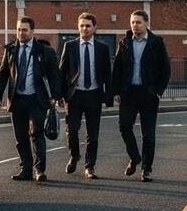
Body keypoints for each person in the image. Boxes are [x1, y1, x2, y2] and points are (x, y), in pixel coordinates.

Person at [0, 17, 61, 182]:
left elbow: (54, 76)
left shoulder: (44, 50)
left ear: (32, 31)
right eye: (18, 29)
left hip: (37, 99)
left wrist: (55, 97)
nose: (21, 33)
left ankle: (40, 170)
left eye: (24, 30)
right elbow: (3, 74)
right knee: (21, 137)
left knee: (37, 133)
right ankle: (26, 170)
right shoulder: (11, 50)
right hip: (17, 99)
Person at [111, 10, 171, 182]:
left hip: (148, 94)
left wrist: (158, 91)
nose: (134, 25)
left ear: (146, 23)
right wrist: (116, 91)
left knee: (148, 134)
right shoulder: (124, 43)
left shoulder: (156, 43)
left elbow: (165, 69)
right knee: (124, 126)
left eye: (138, 22)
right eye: (132, 22)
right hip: (128, 93)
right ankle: (135, 157)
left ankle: (146, 169)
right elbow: (118, 68)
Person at [57, 13, 112, 179]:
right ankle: (74, 156)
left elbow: (107, 73)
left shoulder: (102, 48)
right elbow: (62, 72)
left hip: (94, 95)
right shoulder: (70, 46)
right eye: (81, 25)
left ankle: (90, 166)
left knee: (92, 134)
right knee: (72, 131)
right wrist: (59, 95)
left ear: (94, 28)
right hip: (74, 95)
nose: (84, 28)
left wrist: (109, 96)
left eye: (88, 26)